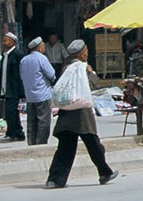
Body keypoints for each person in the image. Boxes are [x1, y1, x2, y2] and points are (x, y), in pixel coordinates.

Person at [46, 40, 117, 189]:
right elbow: (95, 85)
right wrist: (91, 72)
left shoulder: (66, 67)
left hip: (66, 115)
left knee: (64, 149)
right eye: (85, 51)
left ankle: (54, 180)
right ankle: (104, 173)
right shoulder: (82, 68)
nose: (87, 53)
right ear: (80, 53)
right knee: (94, 145)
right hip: (82, 116)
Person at [20, 36, 56, 144]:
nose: (44, 49)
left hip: (30, 96)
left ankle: (31, 142)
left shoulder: (24, 60)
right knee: (43, 121)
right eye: (43, 47)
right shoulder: (41, 58)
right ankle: (41, 143)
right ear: (39, 48)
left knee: (32, 122)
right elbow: (51, 74)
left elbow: (22, 76)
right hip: (42, 95)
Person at [0, 32, 26, 142]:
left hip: (14, 89)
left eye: (5, 41)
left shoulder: (18, 54)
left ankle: (14, 133)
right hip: (6, 88)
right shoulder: (4, 55)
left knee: (10, 112)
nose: (3, 43)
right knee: (11, 112)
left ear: (12, 42)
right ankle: (16, 133)